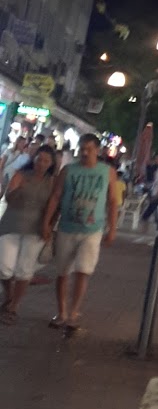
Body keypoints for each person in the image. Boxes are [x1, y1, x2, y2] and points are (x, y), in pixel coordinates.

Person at [42, 133, 119, 331]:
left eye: (89, 149)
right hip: (67, 227)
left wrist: (112, 228)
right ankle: (62, 312)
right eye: (82, 148)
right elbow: (56, 196)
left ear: (97, 150)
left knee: (83, 271)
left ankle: (74, 312)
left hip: (92, 229)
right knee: (62, 272)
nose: (84, 153)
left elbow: (112, 201)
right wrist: (47, 222)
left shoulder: (107, 172)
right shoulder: (68, 170)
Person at [0, 143, 57, 324]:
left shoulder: (52, 182)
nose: (41, 163)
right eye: (39, 159)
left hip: (36, 229)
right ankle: (9, 294)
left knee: (25, 270)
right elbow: (8, 198)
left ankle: (13, 306)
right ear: (34, 159)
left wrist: (49, 225)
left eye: (46, 161)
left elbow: (55, 205)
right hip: (11, 224)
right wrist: (18, 189)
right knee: (4, 267)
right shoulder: (21, 175)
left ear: (51, 163)